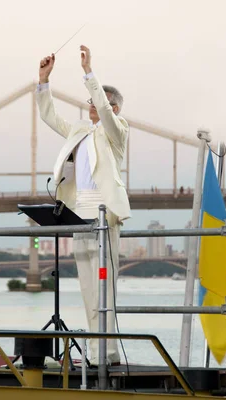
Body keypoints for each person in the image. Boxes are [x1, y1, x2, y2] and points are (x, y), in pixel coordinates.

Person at [36, 45, 131, 366]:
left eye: (96, 102)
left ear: (113, 107)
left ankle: (110, 353)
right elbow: (49, 116)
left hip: (105, 214)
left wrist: (89, 72)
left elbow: (104, 110)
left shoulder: (118, 131)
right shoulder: (79, 130)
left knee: (106, 286)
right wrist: (43, 81)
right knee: (88, 287)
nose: (90, 106)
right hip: (79, 213)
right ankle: (94, 353)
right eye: (90, 101)